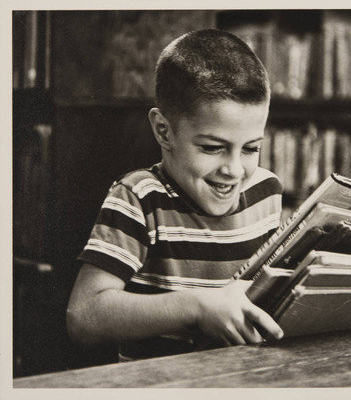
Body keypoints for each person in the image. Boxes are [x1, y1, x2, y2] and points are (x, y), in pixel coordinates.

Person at [66, 29, 284, 361]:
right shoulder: (138, 198)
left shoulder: (266, 191)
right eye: (213, 148)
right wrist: (196, 306)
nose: (235, 170)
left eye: (251, 148)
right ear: (164, 131)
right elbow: (83, 316)